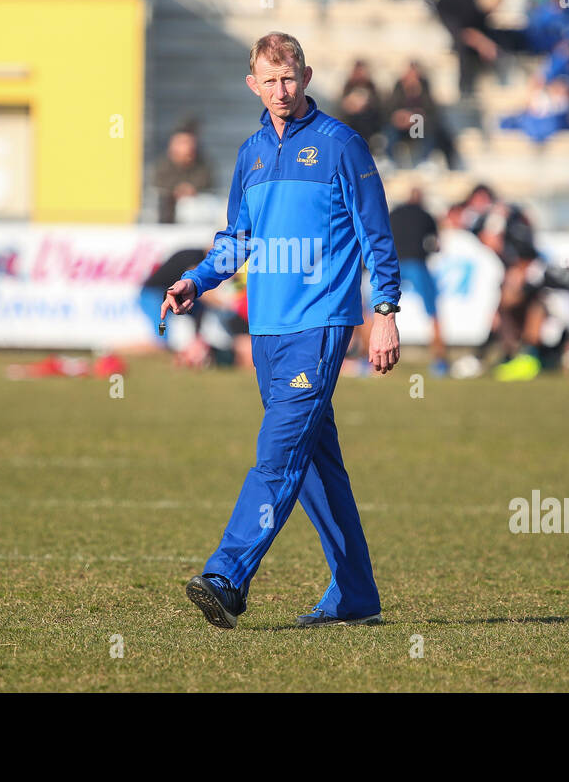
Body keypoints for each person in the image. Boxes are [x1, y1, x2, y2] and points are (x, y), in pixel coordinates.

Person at [162, 32, 400, 629]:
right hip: (266, 328)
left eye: (289, 78)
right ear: (253, 85)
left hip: (319, 326)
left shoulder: (343, 145)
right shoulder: (250, 154)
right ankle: (356, 595)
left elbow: (377, 235)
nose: (280, 91)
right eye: (268, 81)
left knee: (276, 456)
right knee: (317, 467)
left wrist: (386, 314)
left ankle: (227, 574)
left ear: (308, 75)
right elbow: (237, 237)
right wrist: (196, 280)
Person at [390, 187, 448, 374]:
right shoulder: (426, 216)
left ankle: (369, 361)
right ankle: (439, 362)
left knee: (378, 309)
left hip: (394, 265)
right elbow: (436, 245)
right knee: (432, 311)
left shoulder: (394, 214)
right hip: (416, 263)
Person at [152, 125, 213, 224]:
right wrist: (176, 191)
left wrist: (191, 190)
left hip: (197, 214)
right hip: (166, 215)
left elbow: (206, 183)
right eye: (183, 143)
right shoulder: (162, 165)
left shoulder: (202, 164)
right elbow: (159, 186)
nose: (188, 147)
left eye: (190, 142)